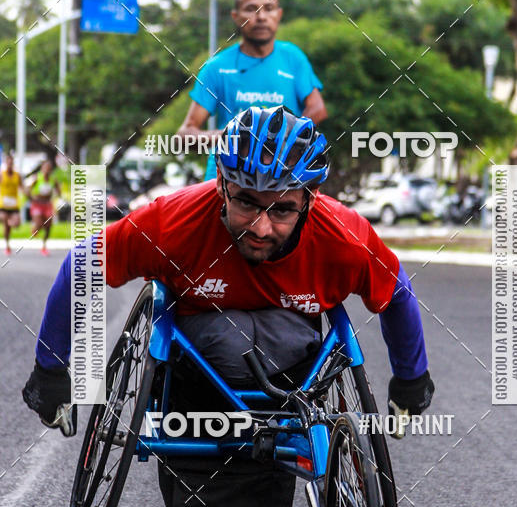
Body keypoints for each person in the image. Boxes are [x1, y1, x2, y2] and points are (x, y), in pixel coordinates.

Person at [23, 105, 434, 446]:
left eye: (282, 210)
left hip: (292, 359)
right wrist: (51, 368)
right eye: (247, 203)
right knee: (227, 335)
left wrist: (411, 381)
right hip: (201, 362)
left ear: (310, 200)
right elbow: (84, 265)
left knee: (274, 337)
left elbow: (396, 292)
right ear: (221, 184)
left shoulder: (344, 237)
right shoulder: (173, 221)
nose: (260, 227)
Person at [178, 0, 327, 180]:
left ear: (279, 14)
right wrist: (237, 136)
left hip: (282, 179)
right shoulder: (216, 67)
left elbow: (317, 109)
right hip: (225, 181)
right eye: (251, 9)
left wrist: (281, 138)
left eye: (269, 8)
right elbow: (184, 136)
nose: (261, 17)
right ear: (236, 17)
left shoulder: (293, 58)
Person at [26, 159, 61, 255]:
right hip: (37, 204)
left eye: (49, 168)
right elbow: (28, 190)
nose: (47, 170)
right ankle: (35, 228)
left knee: (48, 225)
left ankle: (44, 246)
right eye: (46, 168)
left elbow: (58, 191)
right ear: (42, 168)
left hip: (47, 204)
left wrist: (58, 195)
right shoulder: (37, 178)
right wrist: (31, 198)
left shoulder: (53, 180)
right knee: (39, 223)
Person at [0, 152, 23, 255]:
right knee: (5, 222)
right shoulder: (2, 174)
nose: (9, 164)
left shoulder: (17, 175)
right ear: (6, 163)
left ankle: (9, 223)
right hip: (3, 205)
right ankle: (7, 246)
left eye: (11, 162)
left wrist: (29, 193)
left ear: (13, 163)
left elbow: (22, 187)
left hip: (14, 205)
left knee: (16, 224)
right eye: (8, 162)